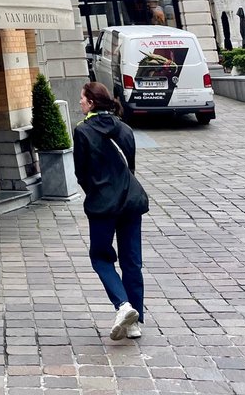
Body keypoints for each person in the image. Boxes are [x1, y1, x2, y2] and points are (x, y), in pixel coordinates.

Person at [74, 81, 149, 341]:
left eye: (82, 98)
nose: (80, 102)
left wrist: (97, 191)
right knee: (132, 261)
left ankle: (123, 306)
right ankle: (134, 323)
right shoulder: (124, 128)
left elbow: (81, 173)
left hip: (103, 205)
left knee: (100, 257)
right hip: (131, 201)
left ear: (91, 102)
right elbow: (131, 167)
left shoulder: (83, 131)